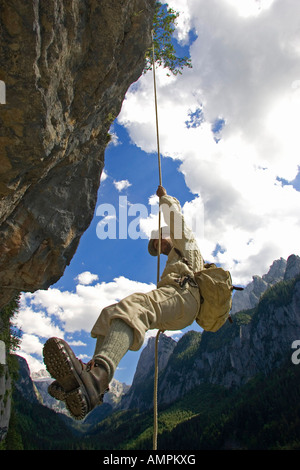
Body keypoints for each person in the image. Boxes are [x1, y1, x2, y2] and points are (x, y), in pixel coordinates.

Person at [43, 186, 204, 420]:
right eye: (155, 246)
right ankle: (93, 384)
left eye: (158, 240)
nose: (158, 246)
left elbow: (176, 219)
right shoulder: (173, 260)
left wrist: (164, 198)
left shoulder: (186, 242)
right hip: (179, 300)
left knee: (135, 306)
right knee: (109, 314)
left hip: (185, 296)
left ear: (168, 234)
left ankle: (98, 378)